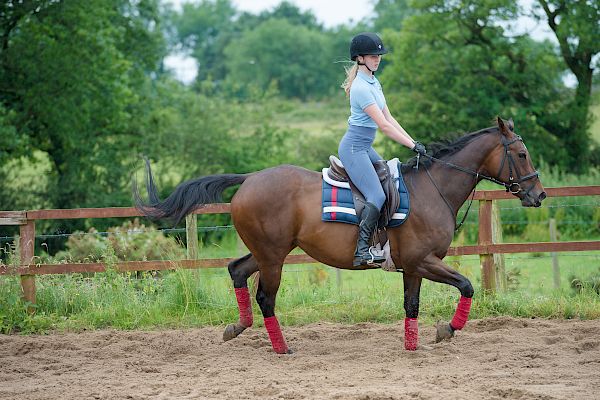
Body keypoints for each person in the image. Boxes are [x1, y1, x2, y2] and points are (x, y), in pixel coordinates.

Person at [339, 32, 427, 267]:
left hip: (365, 147)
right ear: (359, 58)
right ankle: (361, 252)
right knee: (376, 195)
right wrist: (410, 145)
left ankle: (383, 242)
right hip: (354, 149)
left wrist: (414, 142)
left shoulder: (374, 82)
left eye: (379, 55)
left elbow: (390, 117)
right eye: (372, 55)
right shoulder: (361, 88)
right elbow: (385, 126)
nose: (377, 59)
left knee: (390, 181)